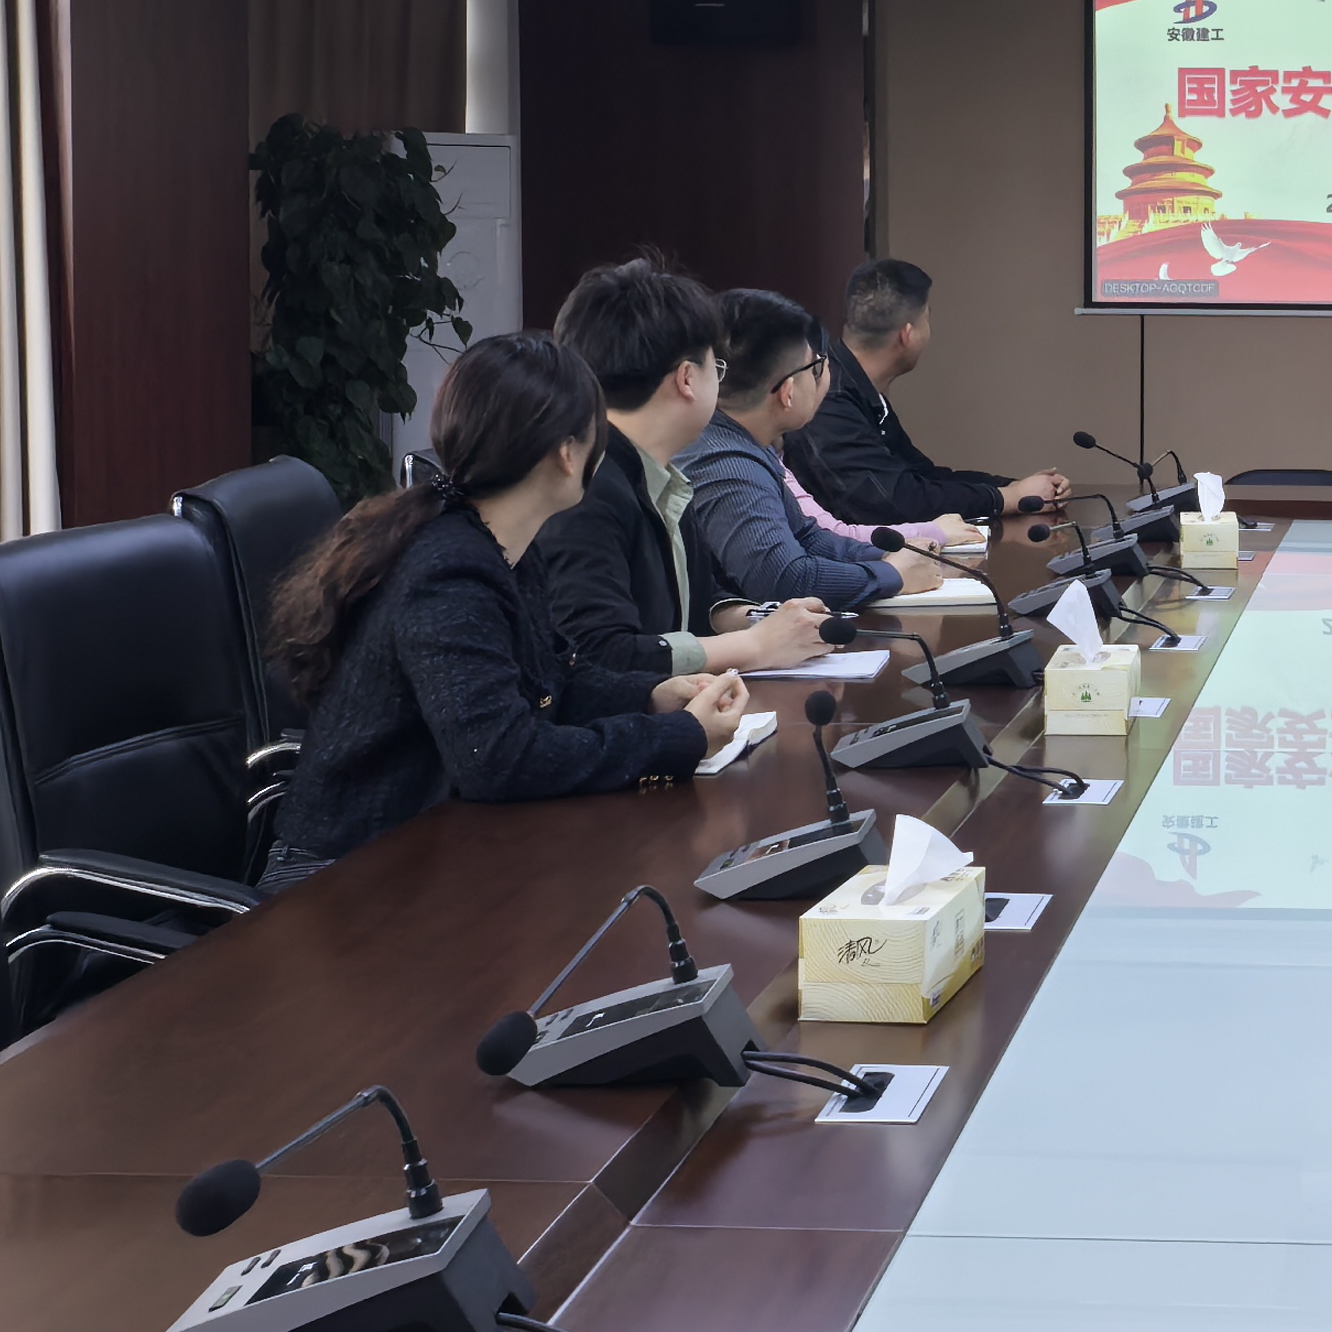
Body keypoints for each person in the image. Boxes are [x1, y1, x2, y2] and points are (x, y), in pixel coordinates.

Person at [263, 333, 750, 886]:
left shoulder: (501, 544)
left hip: (434, 848)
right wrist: (679, 737)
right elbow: (499, 758)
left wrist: (651, 697)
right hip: (341, 877)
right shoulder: (449, 571)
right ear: (567, 453)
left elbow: (551, 680)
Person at [531, 259, 839, 681]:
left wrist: (763, 621)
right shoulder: (585, 488)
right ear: (688, 379)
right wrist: (755, 646)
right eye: (717, 368)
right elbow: (596, 653)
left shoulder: (659, 471)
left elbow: (696, 601)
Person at [684, 289, 950, 614]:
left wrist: (890, 554)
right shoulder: (727, 462)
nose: (825, 377)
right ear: (787, 392)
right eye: (816, 367)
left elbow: (810, 537)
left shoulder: (746, 444)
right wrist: (891, 575)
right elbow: (784, 580)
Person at [794, 257, 1070, 530]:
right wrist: (1008, 498)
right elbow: (894, 502)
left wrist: (1015, 488)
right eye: (926, 319)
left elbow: (921, 478)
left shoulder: (856, 384)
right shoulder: (828, 396)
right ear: (908, 334)